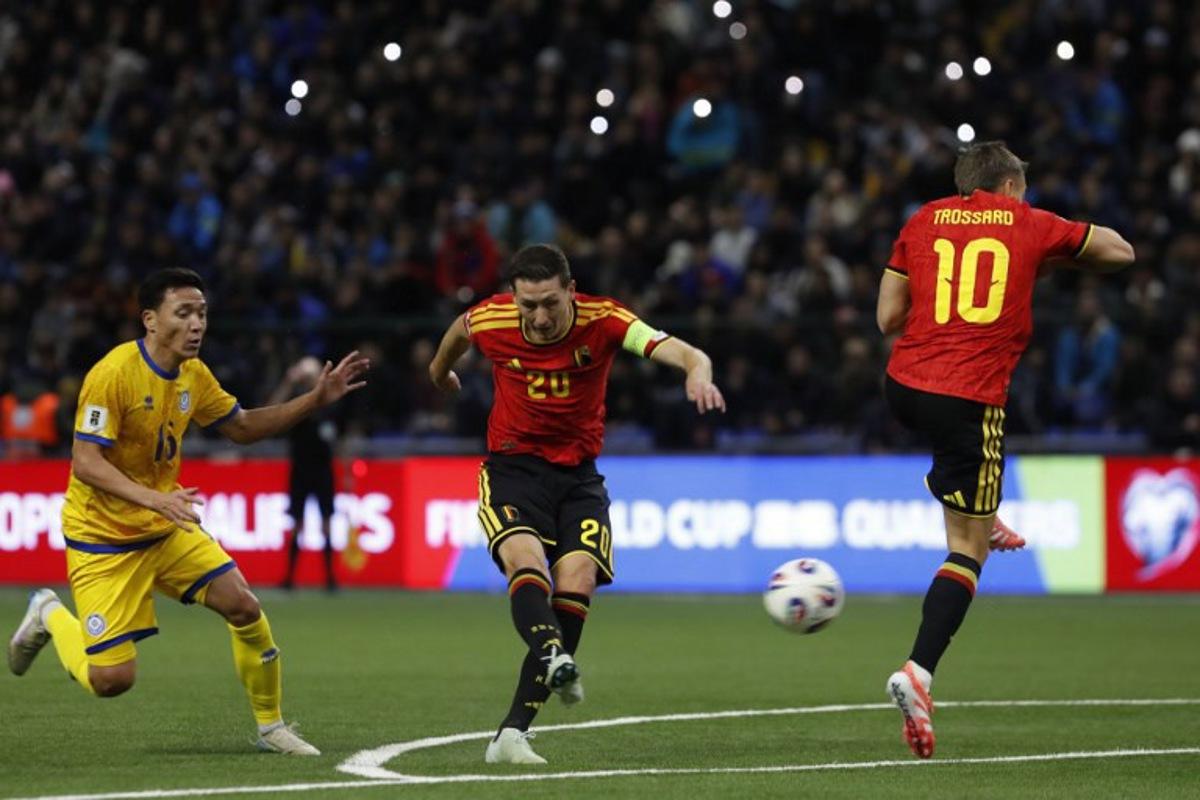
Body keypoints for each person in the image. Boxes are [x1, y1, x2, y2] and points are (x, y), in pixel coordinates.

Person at [6, 268, 369, 755]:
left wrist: (313, 400)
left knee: (243, 605)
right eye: (184, 313)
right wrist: (155, 498)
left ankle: (272, 727)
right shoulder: (113, 374)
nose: (197, 324)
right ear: (151, 321)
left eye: (201, 313)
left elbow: (241, 427)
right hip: (104, 536)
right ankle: (49, 613)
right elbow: (86, 462)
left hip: (164, 526)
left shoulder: (194, 376)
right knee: (112, 679)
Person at [875, 142, 1134, 759]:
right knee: (965, 550)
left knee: (963, 484)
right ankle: (918, 671)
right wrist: (1051, 258)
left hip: (904, 387)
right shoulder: (1030, 223)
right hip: (970, 398)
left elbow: (888, 317)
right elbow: (1121, 251)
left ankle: (978, 505)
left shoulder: (922, 218)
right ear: (1012, 185)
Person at [428, 243, 725, 765]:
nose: (539, 318)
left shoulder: (605, 319)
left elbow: (679, 350)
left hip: (578, 478)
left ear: (570, 290)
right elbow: (457, 334)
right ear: (513, 298)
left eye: (549, 303)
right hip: (512, 470)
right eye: (528, 305)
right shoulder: (491, 318)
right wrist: (439, 374)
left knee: (578, 581)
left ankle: (511, 734)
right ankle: (552, 655)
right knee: (526, 563)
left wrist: (696, 371)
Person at [269, 356, 339, 591]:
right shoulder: (295, 403)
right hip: (300, 469)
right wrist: (288, 382)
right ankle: (289, 578)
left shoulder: (329, 402)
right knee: (297, 523)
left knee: (327, 522)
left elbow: (342, 433)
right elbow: (271, 413)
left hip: (323, 470)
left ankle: (330, 578)